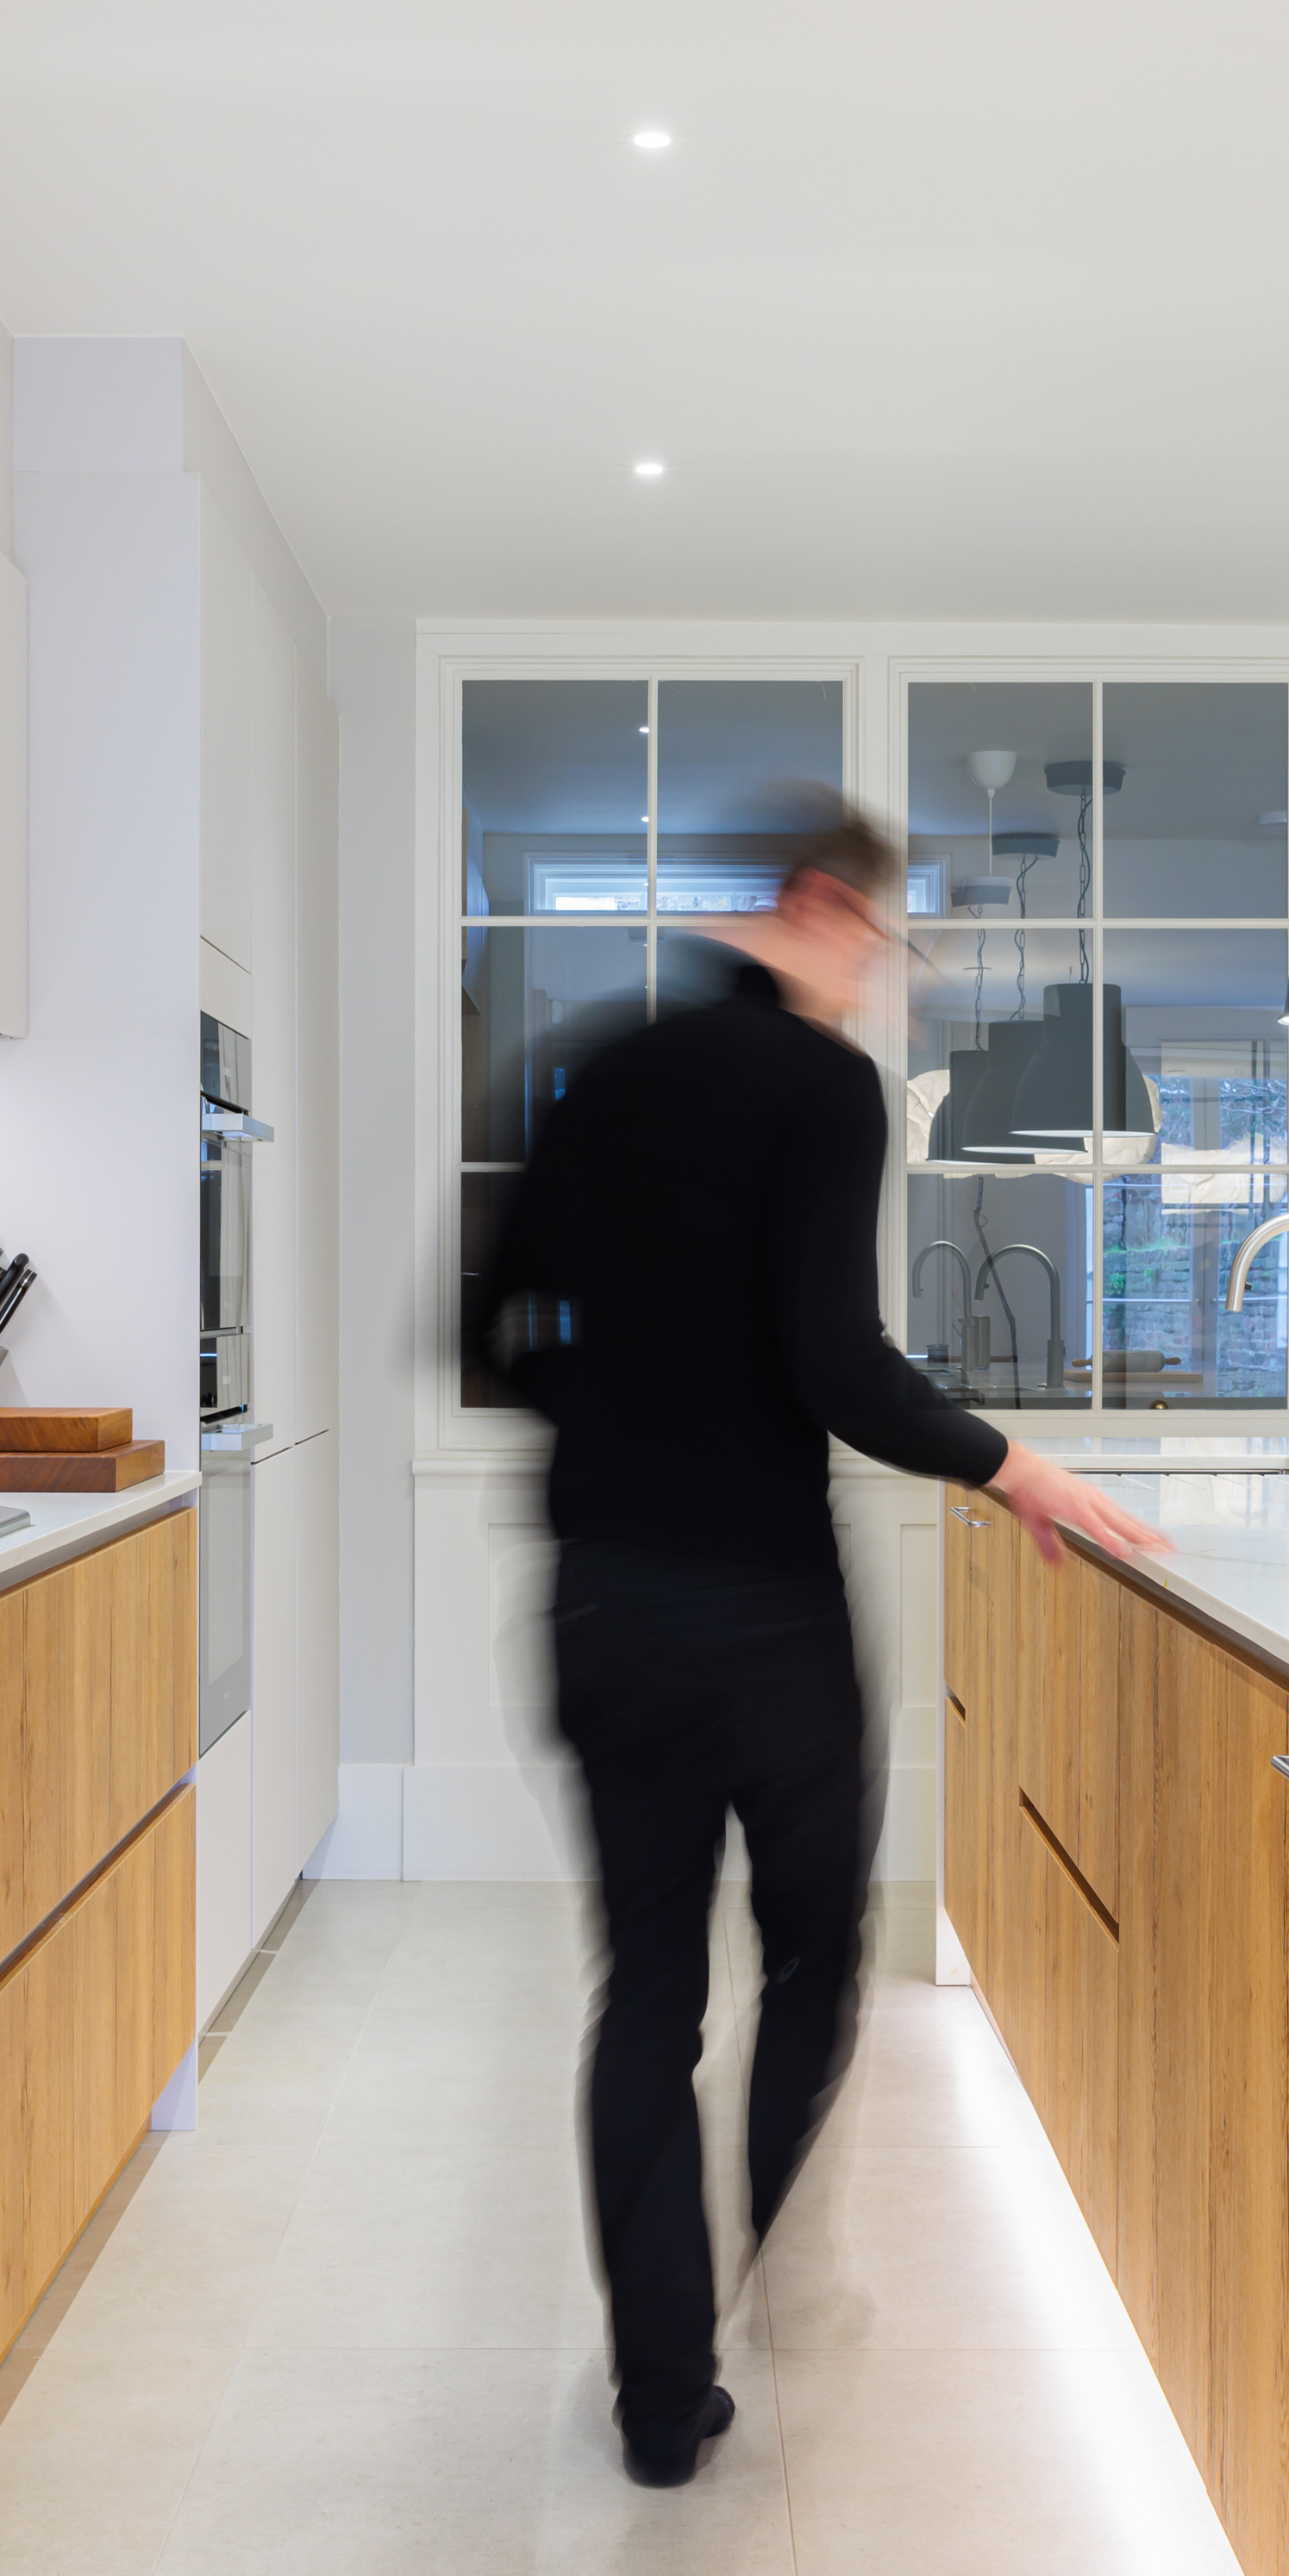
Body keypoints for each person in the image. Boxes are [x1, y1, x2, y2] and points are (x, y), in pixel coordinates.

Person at [479, 803, 1168, 2486]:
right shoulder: (815, 1085)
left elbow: (483, 1332)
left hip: (600, 1603)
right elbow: (835, 1366)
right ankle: (769, 2261)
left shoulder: (595, 1062)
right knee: (811, 1960)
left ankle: (660, 2399)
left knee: (644, 1989)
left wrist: (629, 1418)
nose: (886, 982)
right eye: (883, 942)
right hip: (766, 1620)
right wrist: (1018, 1467)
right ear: (818, 908)